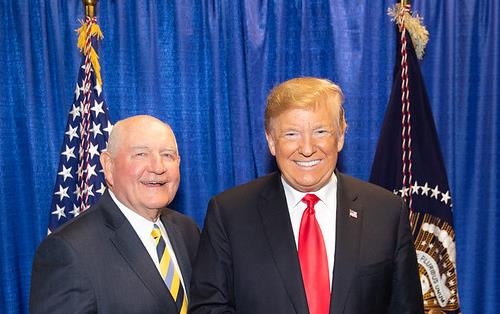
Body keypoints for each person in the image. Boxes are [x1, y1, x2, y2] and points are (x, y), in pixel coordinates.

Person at [189, 77, 423, 314]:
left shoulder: (386, 212)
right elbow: (209, 309)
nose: (308, 148)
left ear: (340, 135)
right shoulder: (229, 215)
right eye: (291, 134)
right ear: (271, 141)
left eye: (320, 131)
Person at [30, 115, 200, 314]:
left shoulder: (189, 231)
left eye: (168, 155)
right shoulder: (68, 250)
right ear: (108, 166)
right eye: (141, 154)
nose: (157, 167)